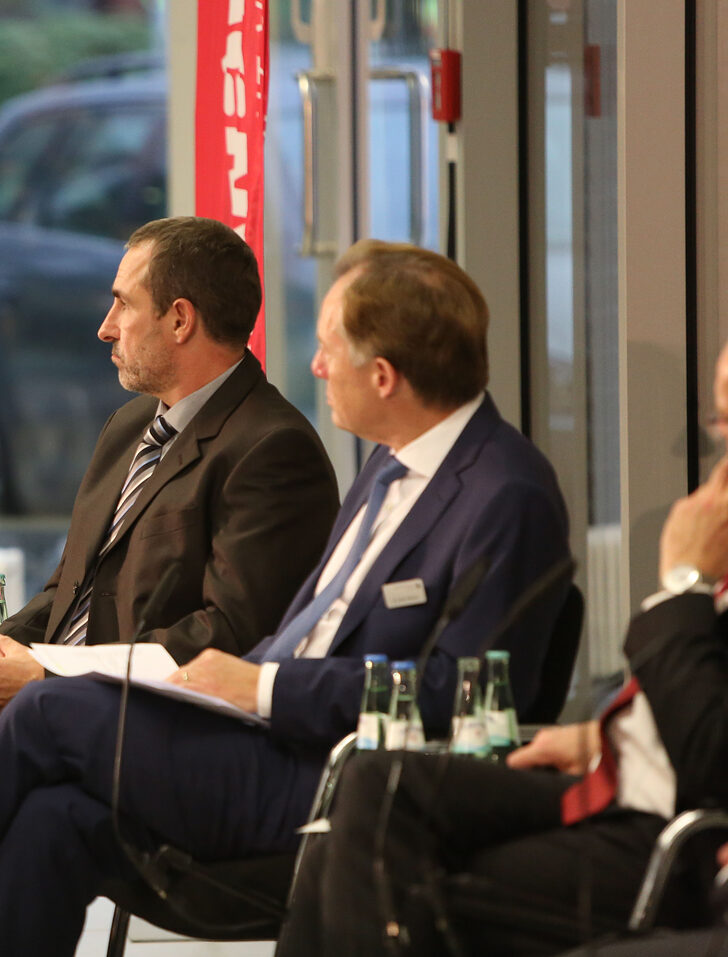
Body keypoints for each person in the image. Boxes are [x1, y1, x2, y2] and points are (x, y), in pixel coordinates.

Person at [0, 239, 572, 957]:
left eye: (329, 349)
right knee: (51, 819)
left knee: (45, 709)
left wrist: (264, 686)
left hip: (335, 775)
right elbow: (315, 627)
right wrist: (232, 688)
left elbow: (463, 692)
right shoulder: (391, 462)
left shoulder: (505, 496)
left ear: (383, 375)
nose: (316, 365)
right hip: (257, 733)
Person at [0, 216, 341, 955]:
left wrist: (45, 674)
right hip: (42, 699)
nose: (103, 326)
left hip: (144, 730)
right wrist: (1, 651)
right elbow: (69, 589)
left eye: (123, 304)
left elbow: (228, 636)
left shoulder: (271, 449)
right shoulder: (129, 426)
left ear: (180, 319)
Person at [273, 340, 728, 957]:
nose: (718, 457)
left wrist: (684, 586)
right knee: (373, 788)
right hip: (621, 775)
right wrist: (601, 736)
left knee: (378, 863)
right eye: (718, 421)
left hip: (675, 831)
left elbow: (713, 754)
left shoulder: (509, 487)